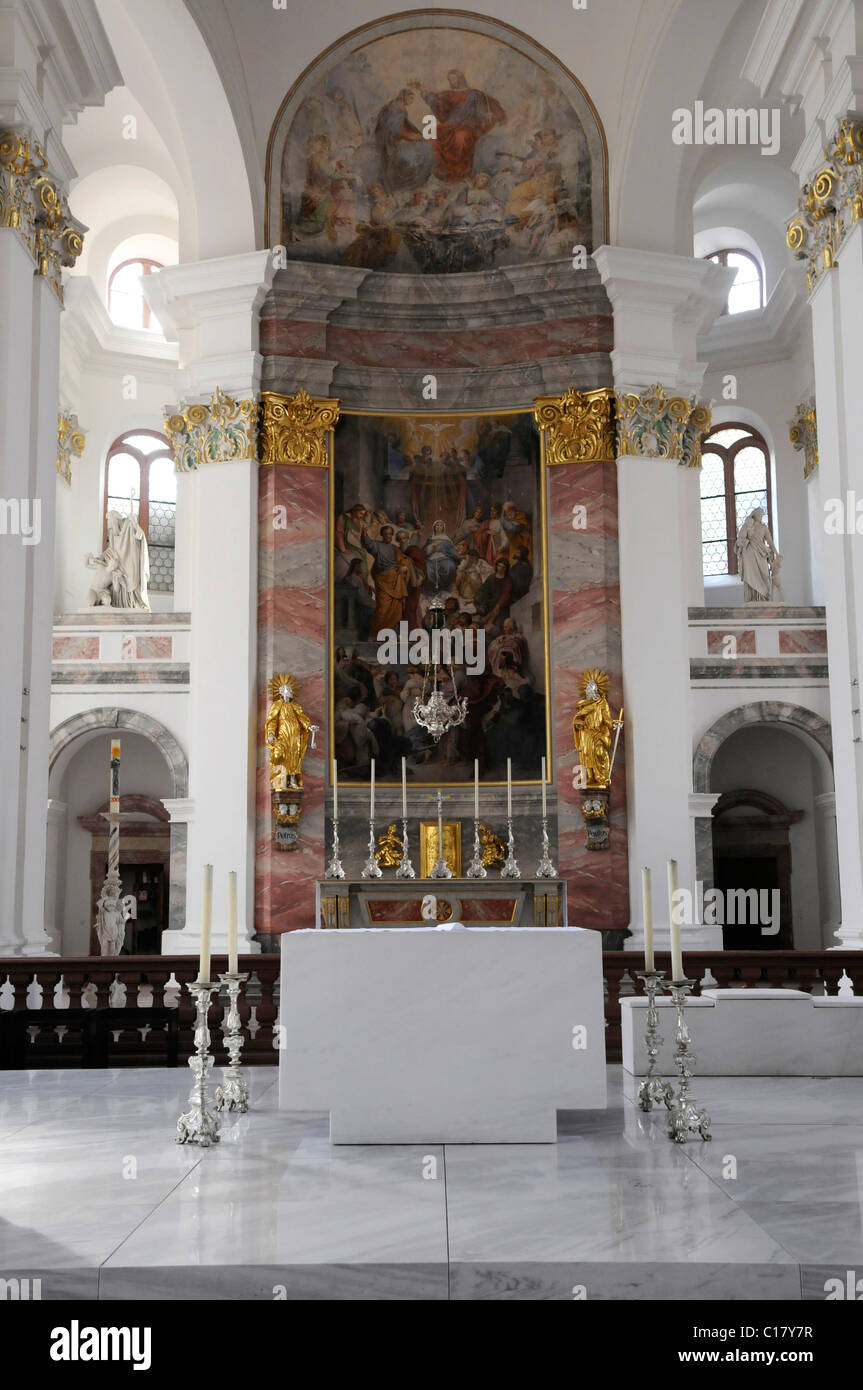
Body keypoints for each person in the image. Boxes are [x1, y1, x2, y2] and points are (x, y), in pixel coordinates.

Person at [265, 674, 318, 791]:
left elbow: (302, 719)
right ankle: (280, 780)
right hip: (283, 735)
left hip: (295, 736)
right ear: (281, 691)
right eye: (288, 689)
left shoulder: (295, 706)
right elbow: (273, 721)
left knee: (294, 757)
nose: (290, 691)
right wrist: (270, 734)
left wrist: (309, 727)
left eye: (291, 689)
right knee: (280, 755)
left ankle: (293, 780)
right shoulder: (277, 705)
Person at [362, 523, 410, 634]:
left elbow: (404, 559)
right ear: (382, 535)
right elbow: (368, 544)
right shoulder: (377, 545)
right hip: (383, 580)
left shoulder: (395, 548)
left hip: (395, 581)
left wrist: (404, 566)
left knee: (396, 608)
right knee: (382, 608)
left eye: (390, 534)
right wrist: (364, 534)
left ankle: (389, 632)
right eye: (386, 534)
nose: (388, 536)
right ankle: (375, 633)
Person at [735, 507, 781, 602]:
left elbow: (770, 541)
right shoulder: (747, 525)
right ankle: (752, 598)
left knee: (765, 575)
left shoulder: (763, 527)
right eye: (759, 514)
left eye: (762, 515)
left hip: (761, 553)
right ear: (755, 515)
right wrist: (747, 529)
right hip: (749, 553)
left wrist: (776, 552)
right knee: (750, 574)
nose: (761, 516)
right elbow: (740, 540)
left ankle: (764, 598)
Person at [474, 556, 513, 635]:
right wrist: (477, 599)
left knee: (498, 626)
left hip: (502, 604)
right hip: (490, 602)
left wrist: (499, 604)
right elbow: (483, 589)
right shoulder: (491, 577)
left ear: (506, 568)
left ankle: (490, 624)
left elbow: (506, 593)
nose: (500, 568)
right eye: (499, 566)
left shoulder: (507, 579)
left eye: (503, 567)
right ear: (496, 566)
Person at [423, 519, 460, 591]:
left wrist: (442, 549)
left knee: (450, 566)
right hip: (431, 559)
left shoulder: (447, 539)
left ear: (443, 528)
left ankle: (445, 588)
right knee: (428, 569)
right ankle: (433, 590)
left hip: (444, 558)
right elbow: (424, 552)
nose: (439, 527)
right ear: (434, 527)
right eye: (437, 525)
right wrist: (432, 547)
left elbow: (453, 552)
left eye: (441, 526)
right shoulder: (430, 539)